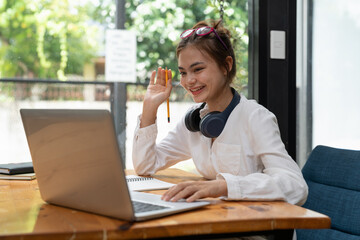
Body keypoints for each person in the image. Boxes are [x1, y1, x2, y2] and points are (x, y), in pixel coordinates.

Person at [132, 19, 308, 206]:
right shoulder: (194, 120)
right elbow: (145, 166)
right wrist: (149, 108)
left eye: (198, 69)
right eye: (183, 73)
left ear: (226, 65)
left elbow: (296, 186)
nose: (189, 81)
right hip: (218, 217)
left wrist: (223, 186)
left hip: (254, 227)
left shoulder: (255, 117)